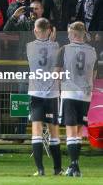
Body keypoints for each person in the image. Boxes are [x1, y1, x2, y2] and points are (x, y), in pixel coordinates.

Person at [58, 21, 98, 177]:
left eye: (69, 32)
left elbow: (57, 72)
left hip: (70, 93)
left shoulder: (65, 50)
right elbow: (93, 74)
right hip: (85, 95)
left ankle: (74, 166)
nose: (68, 35)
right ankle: (74, 165)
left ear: (74, 34)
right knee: (79, 130)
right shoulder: (93, 51)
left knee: (70, 130)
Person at [25, 18, 62, 176]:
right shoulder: (57, 47)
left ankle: (40, 170)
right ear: (50, 31)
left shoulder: (29, 47)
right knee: (54, 132)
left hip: (35, 93)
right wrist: (52, 41)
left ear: (35, 31)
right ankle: (57, 169)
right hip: (52, 92)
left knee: (36, 130)